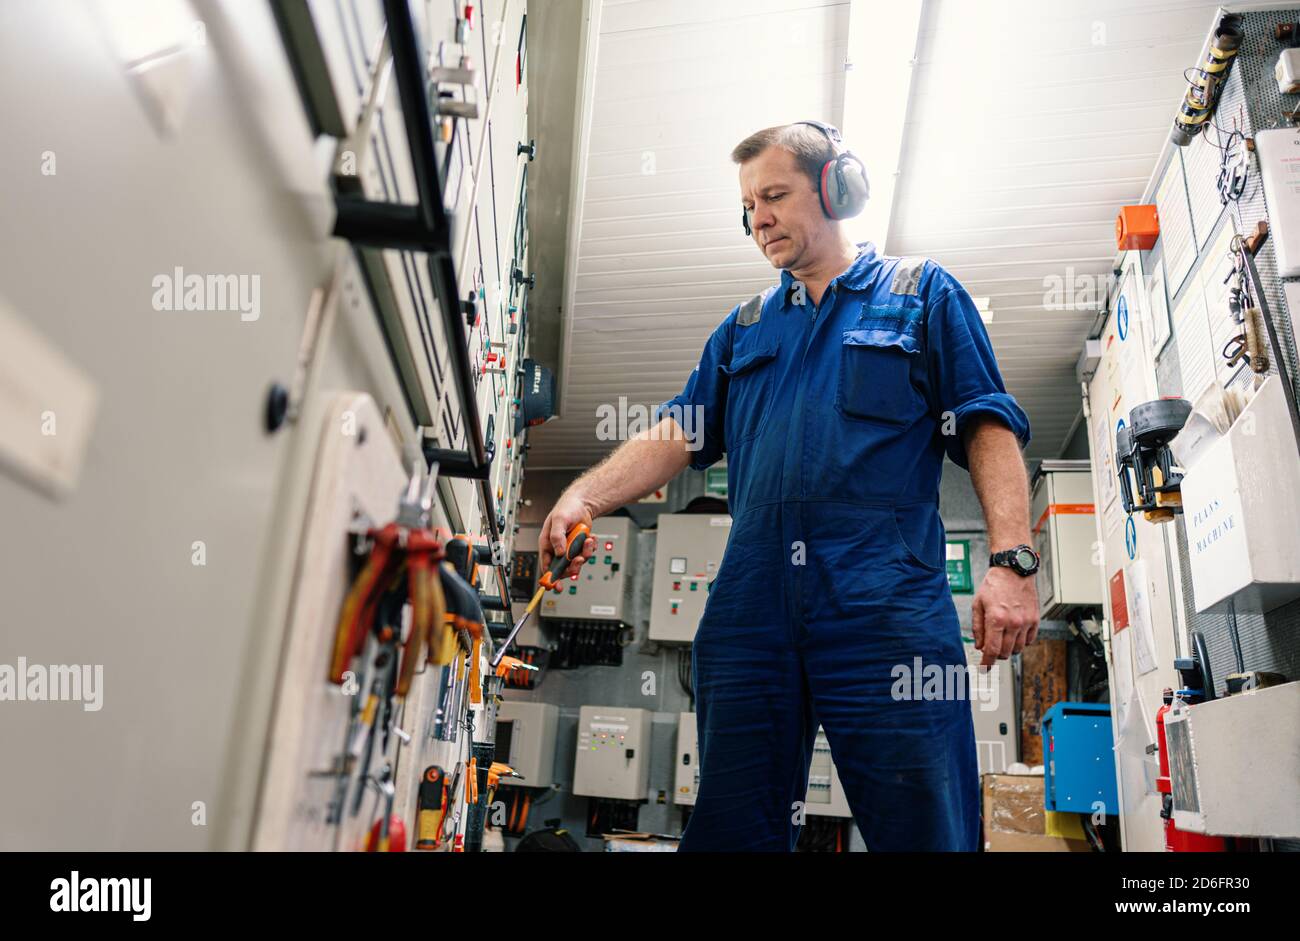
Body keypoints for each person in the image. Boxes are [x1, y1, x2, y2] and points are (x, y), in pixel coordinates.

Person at [538, 122, 1039, 851]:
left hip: (884, 605)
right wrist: (585, 496)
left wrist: (1012, 560)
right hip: (752, 609)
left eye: (773, 194)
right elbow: (678, 432)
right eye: (748, 204)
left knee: (928, 824)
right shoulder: (742, 330)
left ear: (837, 188)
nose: (758, 218)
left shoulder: (921, 293)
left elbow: (987, 424)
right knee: (731, 828)